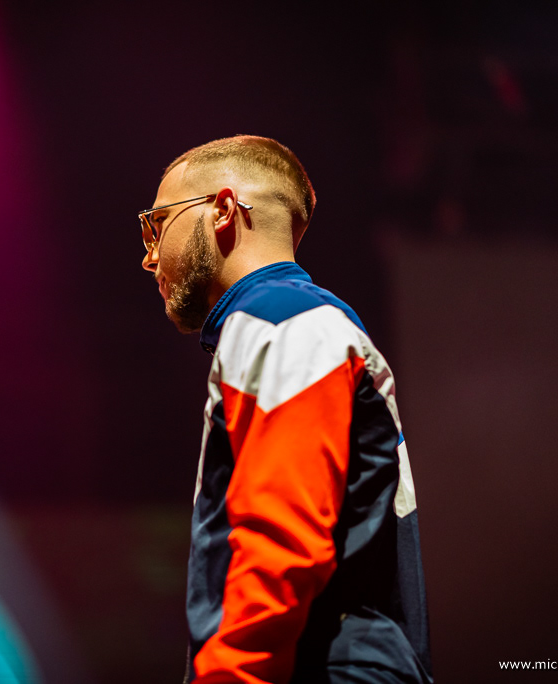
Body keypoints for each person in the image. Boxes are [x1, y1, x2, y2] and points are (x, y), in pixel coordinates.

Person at [138, 135, 433, 684]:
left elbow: (283, 540)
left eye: (158, 224)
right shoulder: (291, 321)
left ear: (222, 210)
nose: (149, 256)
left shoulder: (281, 320)